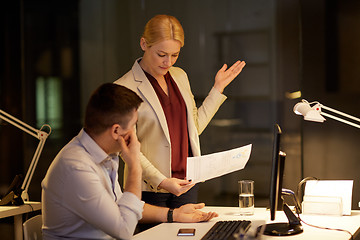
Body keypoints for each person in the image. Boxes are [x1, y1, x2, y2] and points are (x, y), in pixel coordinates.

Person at [41, 83, 218, 240]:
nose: (136, 132)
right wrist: (135, 166)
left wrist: (174, 214)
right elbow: (124, 229)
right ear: (116, 131)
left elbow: (123, 205)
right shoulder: (77, 168)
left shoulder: (103, 154)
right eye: (134, 125)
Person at [114, 14, 246, 208]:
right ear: (144, 44)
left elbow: (194, 127)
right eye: (161, 54)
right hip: (150, 190)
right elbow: (126, 149)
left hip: (187, 184)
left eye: (175, 55)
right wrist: (162, 181)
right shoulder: (123, 88)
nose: (168, 62)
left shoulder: (180, 76)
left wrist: (217, 89)